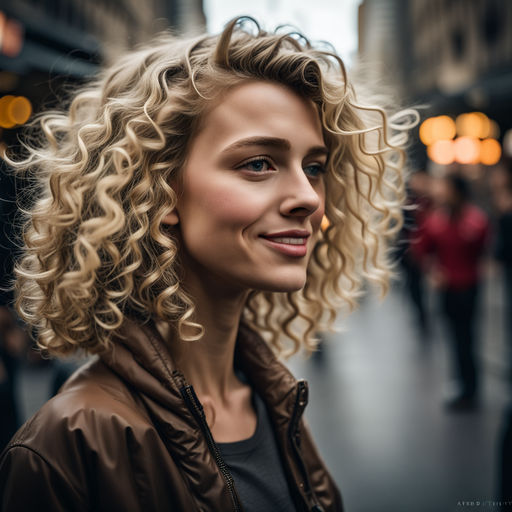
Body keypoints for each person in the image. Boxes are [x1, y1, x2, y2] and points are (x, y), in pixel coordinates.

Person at [0, 17, 415, 511]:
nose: (308, 198)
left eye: (314, 167)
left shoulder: (273, 400)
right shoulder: (70, 445)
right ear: (159, 187)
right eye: (258, 163)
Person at [414, 173, 489, 410]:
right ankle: (462, 384)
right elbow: (421, 249)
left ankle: (471, 386)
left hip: (470, 286)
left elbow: (484, 248)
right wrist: (432, 271)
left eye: (445, 187)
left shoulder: (475, 220)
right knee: (455, 338)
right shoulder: (436, 220)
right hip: (448, 289)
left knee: (468, 337)